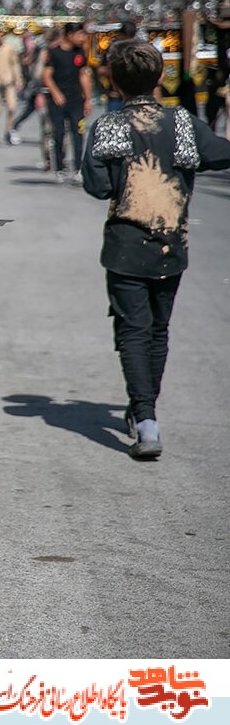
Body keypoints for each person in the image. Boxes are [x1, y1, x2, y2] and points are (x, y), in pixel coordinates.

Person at [81, 39, 230, 459]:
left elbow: (98, 186)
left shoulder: (109, 126)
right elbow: (219, 154)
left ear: (113, 80)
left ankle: (145, 418)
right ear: (160, 76)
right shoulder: (182, 122)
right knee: (158, 330)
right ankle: (145, 413)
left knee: (132, 330)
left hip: (125, 247)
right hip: (171, 246)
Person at [44, 21, 93, 184]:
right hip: (57, 101)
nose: (82, 38)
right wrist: (56, 93)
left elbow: (83, 75)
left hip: (76, 101)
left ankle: (78, 169)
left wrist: (88, 99)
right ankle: (59, 168)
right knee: (58, 134)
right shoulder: (54, 52)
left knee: (78, 135)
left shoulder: (80, 53)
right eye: (80, 35)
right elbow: (47, 76)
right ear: (69, 35)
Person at [95, 21, 138, 113]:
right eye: (125, 37)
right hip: (116, 96)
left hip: (134, 94)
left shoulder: (138, 47)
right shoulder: (114, 48)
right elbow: (101, 70)